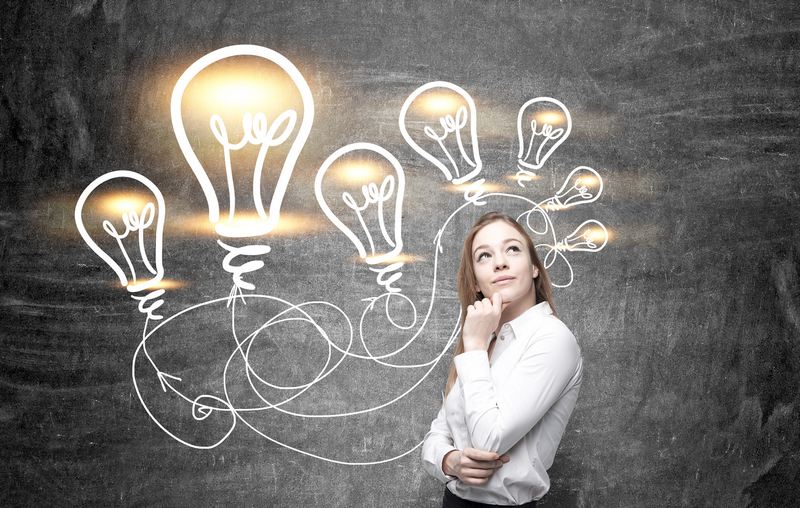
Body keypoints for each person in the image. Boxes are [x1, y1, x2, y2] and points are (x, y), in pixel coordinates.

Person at [422, 212, 583, 507]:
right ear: (477, 284)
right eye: (484, 255)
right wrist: (450, 461)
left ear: (534, 267)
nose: (499, 262)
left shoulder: (552, 339)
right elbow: (437, 435)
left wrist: (473, 348)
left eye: (512, 249)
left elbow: (489, 442)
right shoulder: (487, 340)